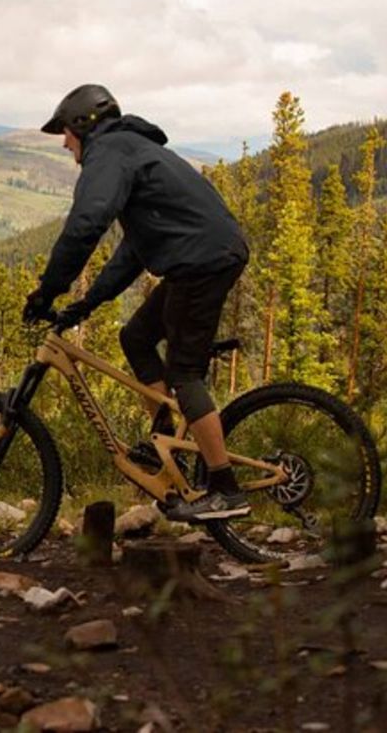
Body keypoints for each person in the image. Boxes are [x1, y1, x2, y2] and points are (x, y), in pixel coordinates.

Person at [22, 84, 251, 522]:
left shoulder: (108, 153)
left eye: (66, 133)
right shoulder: (130, 150)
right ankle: (165, 443)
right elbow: (133, 252)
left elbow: (86, 224)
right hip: (203, 255)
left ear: (84, 125)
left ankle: (225, 487)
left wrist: (48, 291)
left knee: (185, 372)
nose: (66, 142)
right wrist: (85, 304)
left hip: (202, 261)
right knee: (137, 336)